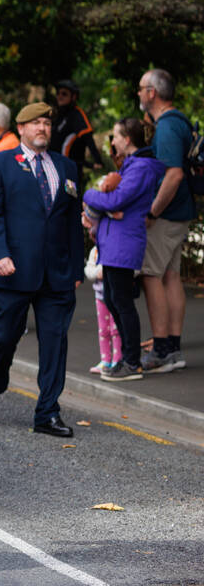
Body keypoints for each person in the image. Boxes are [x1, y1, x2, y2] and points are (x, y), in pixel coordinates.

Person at [0, 102, 83, 437]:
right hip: (13, 270)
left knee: (54, 343)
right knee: (4, 339)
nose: (43, 128)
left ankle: (47, 413)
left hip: (57, 275)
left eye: (47, 123)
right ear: (20, 128)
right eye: (35, 123)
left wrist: (76, 267)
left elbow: (70, 221)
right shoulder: (0, 163)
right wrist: (0, 254)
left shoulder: (66, 167)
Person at [83, 118, 166, 382]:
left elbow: (117, 199)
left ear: (127, 140)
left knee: (121, 302)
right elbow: (112, 202)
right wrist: (105, 203)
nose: (113, 141)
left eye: (116, 136)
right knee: (113, 299)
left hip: (123, 242)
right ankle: (127, 359)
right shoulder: (132, 166)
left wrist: (88, 195)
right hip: (114, 241)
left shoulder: (139, 168)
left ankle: (131, 362)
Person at [137, 68, 195, 372]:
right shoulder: (180, 122)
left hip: (167, 214)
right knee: (171, 276)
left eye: (140, 89)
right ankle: (172, 346)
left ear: (152, 93)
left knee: (151, 275)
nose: (138, 94)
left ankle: (161, 350)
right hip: (182, 212)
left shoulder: (168, 127)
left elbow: (173, 174)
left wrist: (152, 212)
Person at [50, 79, 103, 189]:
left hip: (69, 172)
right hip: (54, 169)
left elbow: (88, 138)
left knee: (71, 198)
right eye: (58, 93)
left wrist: (98, 161)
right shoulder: (57, 115)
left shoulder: (77, 114)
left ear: (73, 97)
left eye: (64, 94)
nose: (60, 96)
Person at [84, 245, 122, 374]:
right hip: (100, 297)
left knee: (115, 329)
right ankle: (105, 360)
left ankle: (117, 360)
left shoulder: (115, 248)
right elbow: (89, 270)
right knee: (103, 330)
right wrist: (96, 273)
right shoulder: (95, 250)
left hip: (115, 296)